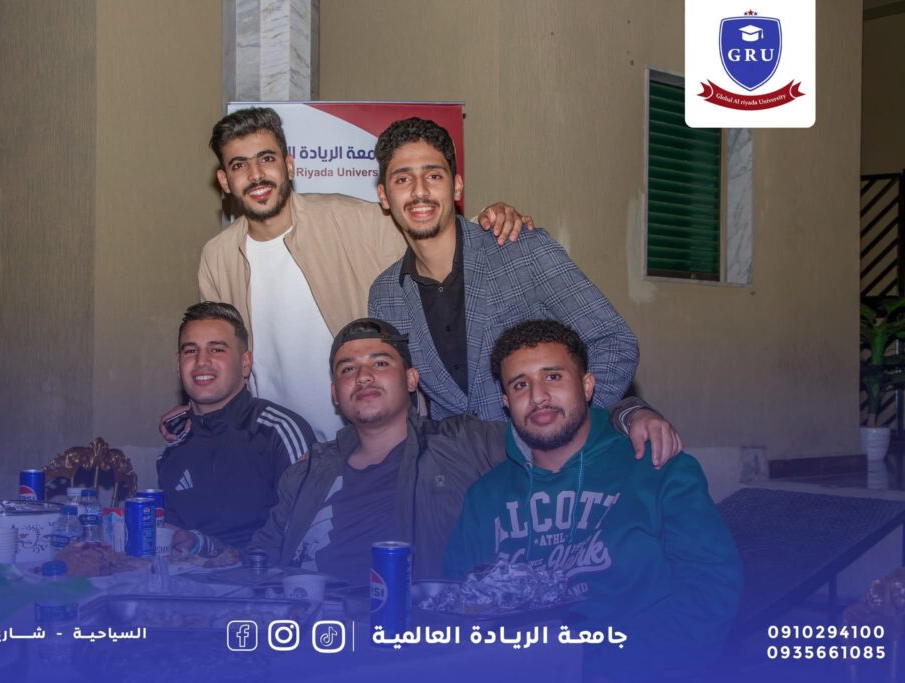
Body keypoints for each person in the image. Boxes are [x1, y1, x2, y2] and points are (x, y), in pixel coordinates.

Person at [181, 107, 532, 442]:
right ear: (224, 181)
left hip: (370, 443)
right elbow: (219, 357)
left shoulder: (349, 219)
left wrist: (490, 221)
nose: (256, 175)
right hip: (275, 447)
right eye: (240, 165)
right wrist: (198, 414)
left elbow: (433, 232)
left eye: (267, 159)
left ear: (288, 165)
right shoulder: (217, 257)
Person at [247, 318, 678, 585]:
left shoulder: (461, 443)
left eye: (380, 363)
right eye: (348, 369)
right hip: (302, 632)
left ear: (412, 380)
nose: (363, 377)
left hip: (406, 643)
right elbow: (258, 561)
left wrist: (629, 412)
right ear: (335, 393)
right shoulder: (307, 471)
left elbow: (551, 419)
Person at [444, 320, 742, 681]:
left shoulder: (657, 467)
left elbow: (712, 588)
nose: (538, 396)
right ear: (506, 403)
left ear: (587, 386)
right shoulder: (484, 497)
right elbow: (457, 606)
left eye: (553, 377)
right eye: (521, 384)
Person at [368, 118, 643, 437]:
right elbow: (401, 399)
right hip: (456, 462)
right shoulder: (384, 295)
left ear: (456, 186)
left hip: (547, 457)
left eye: (433, 175)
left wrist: (567, 431)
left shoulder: (521, 249)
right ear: (384, 196)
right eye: (402, 179)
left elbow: (615, 341)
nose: (419, 191)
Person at [157, 302, 315, 557]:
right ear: (178, 364)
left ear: (245, 363)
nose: (201, 361)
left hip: (268, 578)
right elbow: (174, 546)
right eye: (191, 351)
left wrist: (209, 548)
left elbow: (304, 542)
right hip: (193, 580)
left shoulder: (278, 432)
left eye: (217, 349)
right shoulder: (173, 448)